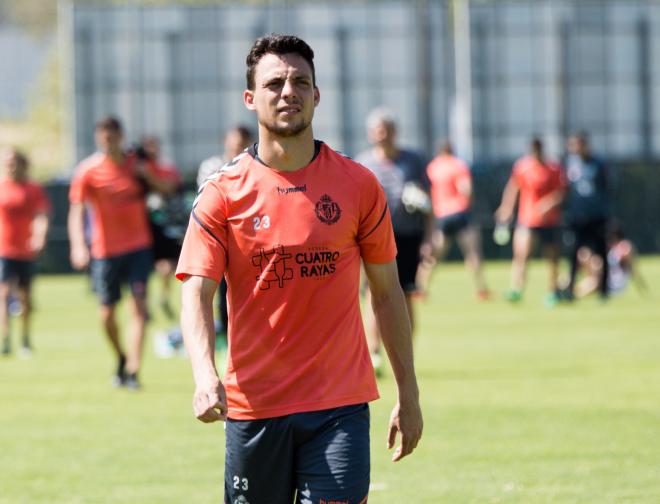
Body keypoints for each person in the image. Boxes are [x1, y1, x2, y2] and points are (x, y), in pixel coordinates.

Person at [176, 34, 422, 504]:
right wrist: (205, 375)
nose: (288, 91)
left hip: (339, 407)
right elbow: (197, 292)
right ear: (250, 98)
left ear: (316, 95)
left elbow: (388, 294)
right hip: (254, 407)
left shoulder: (359, 185)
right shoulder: (222, 194)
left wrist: (408, 394)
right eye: (274, 83)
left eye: (299, 82)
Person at [68, 116, 176, 389]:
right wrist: (79, 244)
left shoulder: (136, 164)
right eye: (104, 138)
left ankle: (133, 370)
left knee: (139, 309)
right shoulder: (88, 171)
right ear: (98, 139)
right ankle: (121, 356)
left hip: (138, 248)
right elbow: (76, 210)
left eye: (113, 137)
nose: (109, 143)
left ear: (121, 136)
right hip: (105, 252)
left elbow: (168, 187)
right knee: (106, 314)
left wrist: (147, 175)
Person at [356, 107, 431, 373]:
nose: (382, 135)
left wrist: (429, 238)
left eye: (386, 130)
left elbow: (429, 202)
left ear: (395, 132)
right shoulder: (364, 163)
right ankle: (374, 352)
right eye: (378, 131)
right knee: (372, 294)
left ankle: (404, 353)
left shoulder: (413, 161)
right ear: (371, 134)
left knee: (407, 294)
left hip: (408, 236)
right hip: (374, 238)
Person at [197, 126, 254, 340]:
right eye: (233, 144)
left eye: (240, 145)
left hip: (248, 241)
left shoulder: (257, 167)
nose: (236, 149)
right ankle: (225, 338)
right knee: (215, 293)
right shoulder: (212, 167)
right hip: (219, 239)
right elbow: (207, 202)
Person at [495, 137, 566, 306]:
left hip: (550, 221)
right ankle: (516, 288)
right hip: (527, 219)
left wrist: (548, 204)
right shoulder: (522, 167)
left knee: (552, 259)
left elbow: (561, 192)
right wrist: (506, 208)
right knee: (521, 254)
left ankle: (553, 291)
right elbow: (513, 188)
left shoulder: (553, 168)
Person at [416, 140, 490, 300]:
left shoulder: (432, 167)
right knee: (472, 254)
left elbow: (425, 192)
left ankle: (419, 288)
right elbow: (466, 189)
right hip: (460, 213)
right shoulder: (458, 165)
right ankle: (481, 289)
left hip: (441, 215)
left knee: (433, 256)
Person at [0, 148, 51, 356]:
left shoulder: (33, 189)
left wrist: (39, 236)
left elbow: (42, 215)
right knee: (3, 294)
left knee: (26, 298)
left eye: (13, 162)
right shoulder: (1, 186)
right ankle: (5, 339)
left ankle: (25, 338)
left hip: (26, 251)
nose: (10, 165)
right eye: (7, 162)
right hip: (4, 249)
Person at [563, 131, 612, 300]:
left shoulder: (599, 164)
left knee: (602, 252)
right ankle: (569, 290)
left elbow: (607, 188)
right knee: (573, 253)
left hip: (597, 216)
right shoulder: (570, 164)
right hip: (577, 217)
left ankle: (604, 291)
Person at [139, 135, 183, 319]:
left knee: (167, 266)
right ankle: (145, 305)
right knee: (143, 269)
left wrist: (149, 176)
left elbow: (171, 187)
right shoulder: (136, 168)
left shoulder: (166, 167)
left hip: (163, 223)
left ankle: (163, 298)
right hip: (142, 225)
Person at [575, 223, 647, 298]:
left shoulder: (624, 247)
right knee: (585, 255)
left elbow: (631, 268)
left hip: (615, 283)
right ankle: (571, 289)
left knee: (595, 280)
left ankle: (575, 294)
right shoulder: (610, 248)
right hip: (604, 278)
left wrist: (641, 286)